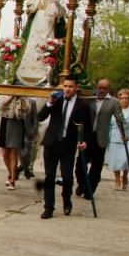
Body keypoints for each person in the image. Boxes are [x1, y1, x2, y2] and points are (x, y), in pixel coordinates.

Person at [38, 74, 90, 219]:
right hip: (51, 143)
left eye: (71, 87)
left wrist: (85, 141)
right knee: (49, 176)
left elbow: (88, 127)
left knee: (67, 176)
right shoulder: (56, 100)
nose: (67, 89)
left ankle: (67, 200)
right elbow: (40, 117)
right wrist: (49, 103)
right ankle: (48, 207)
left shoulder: (83, 105)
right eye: (65, 86)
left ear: (76, 87)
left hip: (68, 144)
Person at [78, 78, 124, 199]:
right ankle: (81, 184)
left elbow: (120, 120)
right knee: (80, 165)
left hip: (101, 137)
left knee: (96, 167)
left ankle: (90, 191)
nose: (102, 90)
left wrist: (124, 134)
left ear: (109, 89)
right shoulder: (89, 100)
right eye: (100, 87)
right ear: (96, 87)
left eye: (105, 88)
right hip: (87, 136)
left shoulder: (113, 102)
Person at [109, 89, 129, 190]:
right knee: (115, 161)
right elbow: (109, 125)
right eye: (122, 98)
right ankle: (117, 180)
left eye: (127, 98)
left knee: (125, 160)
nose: (124, 100)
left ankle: (125, 176)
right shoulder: (113, 109)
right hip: (115, 137)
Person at [0, 94, 30, 190]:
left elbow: (28, 109)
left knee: (13, 151)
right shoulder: (5, 86)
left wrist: (21, 99)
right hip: (5, 120)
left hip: (17, 121)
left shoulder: (21, 90)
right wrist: (10, 97)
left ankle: (12, 179)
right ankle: (11, 173)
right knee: (4, 153)